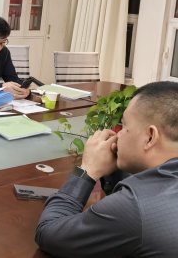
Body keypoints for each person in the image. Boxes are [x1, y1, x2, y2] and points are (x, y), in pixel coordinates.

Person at [35, 81, 178, 257]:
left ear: (150, 137)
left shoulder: (135, 206)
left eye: (124, 127)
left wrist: (87, 170)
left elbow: (48, 233)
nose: (117, 134)